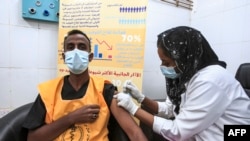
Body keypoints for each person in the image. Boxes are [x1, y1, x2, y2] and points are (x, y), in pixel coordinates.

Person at [114, 26, 250, 141]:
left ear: (183, 58)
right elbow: (169, 109)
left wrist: (133, 108)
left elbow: (177, 131)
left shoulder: (210, 81)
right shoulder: (187, 75)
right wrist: (140, 98)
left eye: (166, 62)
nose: (162, 66)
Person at [22, 29, 148, 141]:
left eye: (81, 47)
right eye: (70, 47)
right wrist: (71, 118)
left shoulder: (105, 89)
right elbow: (32, 138)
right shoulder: (48, 92)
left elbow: (134, 132)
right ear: (64, 56)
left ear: (90, 57)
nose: (76, 51)